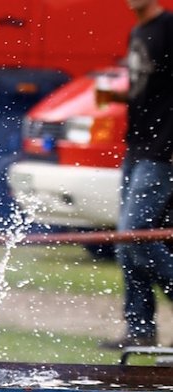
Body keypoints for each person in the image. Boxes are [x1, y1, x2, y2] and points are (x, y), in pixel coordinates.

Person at [98, 0, 173, 349]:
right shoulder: (137, 32)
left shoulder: (169, 28)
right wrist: (115, 94)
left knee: (134, 234)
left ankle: (141, 325)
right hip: (138, 149)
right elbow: (148, 92)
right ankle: (140, 328)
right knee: (126, 242)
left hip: (163, 152)